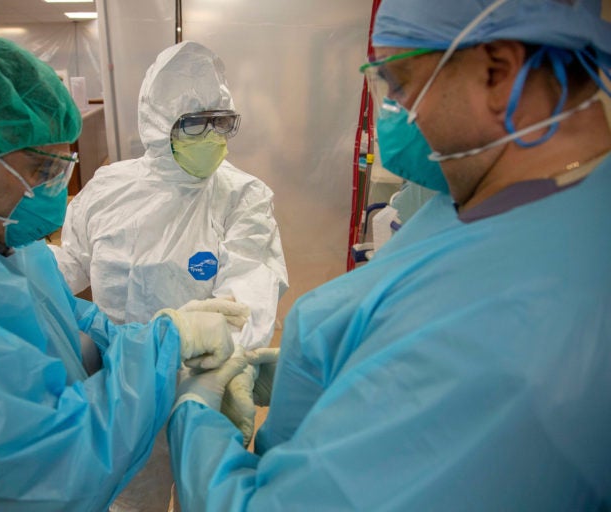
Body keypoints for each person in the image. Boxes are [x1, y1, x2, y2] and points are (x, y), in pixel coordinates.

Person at [165, 0, 611, 510]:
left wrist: (194, 413)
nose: (390, 111)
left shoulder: (511, 330)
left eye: (399, 84)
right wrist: (348, 365)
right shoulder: (500, 201)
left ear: (497, 70)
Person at [0, 38, 241, 512]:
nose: (53, 190)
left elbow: (65, 317)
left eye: (61, 165)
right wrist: (166, 348)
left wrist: (161, 339)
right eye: (41, 167)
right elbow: (44, 475)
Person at [51, 41, 288, 511]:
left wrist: (217, 373)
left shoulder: (242, 197)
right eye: (195, 122)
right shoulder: (108, 188)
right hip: (121, 391)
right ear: (160, 124)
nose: (214, 137)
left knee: (208, 496)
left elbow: (249, 292)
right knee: (129, 502)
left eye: (222, 122)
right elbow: (66, 268)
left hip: (200, 392)